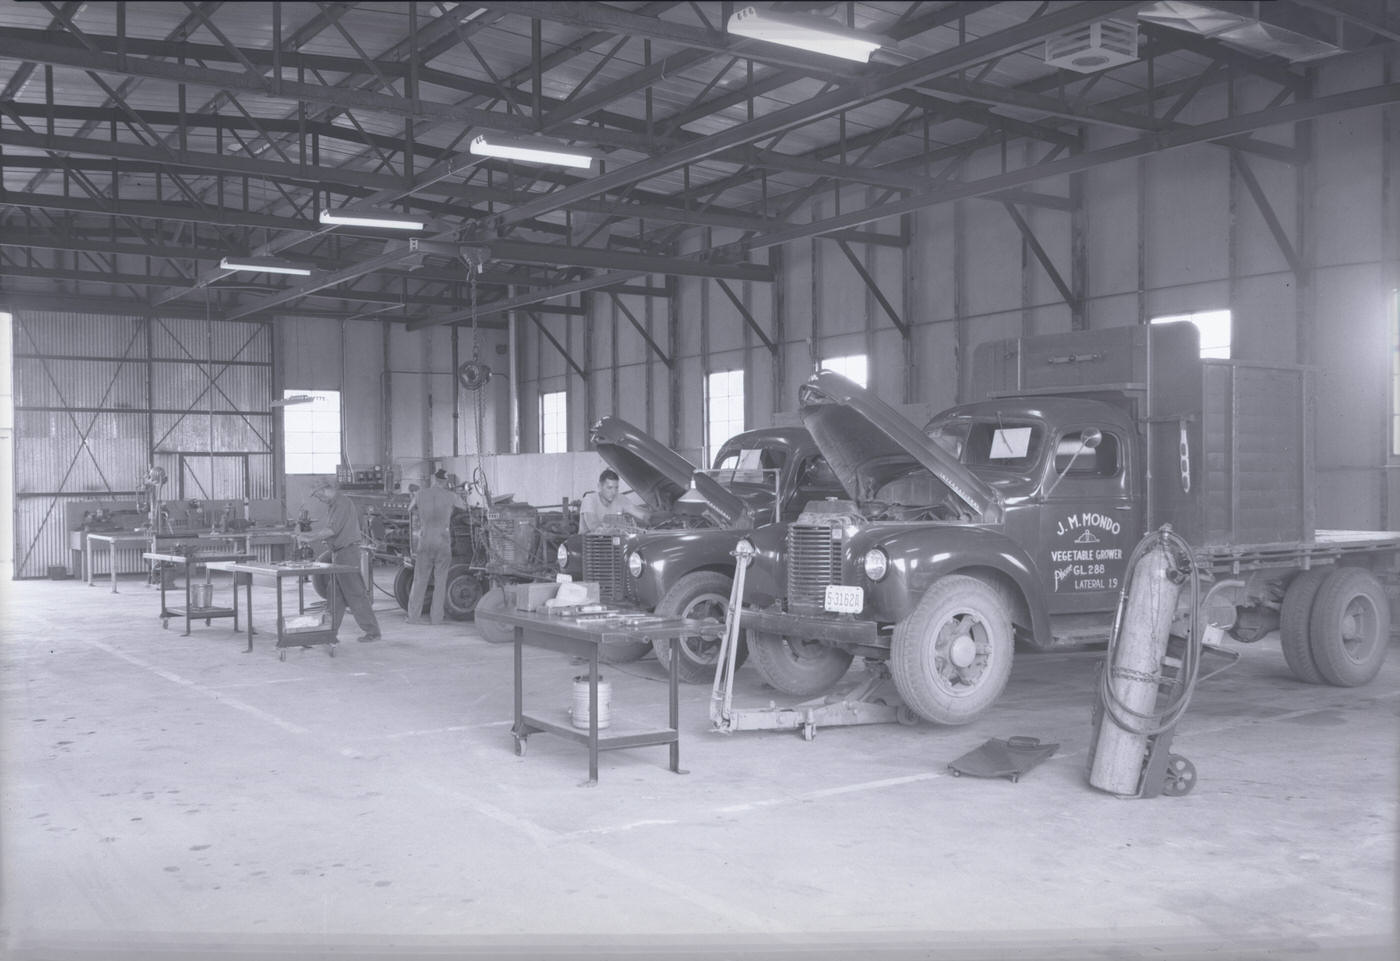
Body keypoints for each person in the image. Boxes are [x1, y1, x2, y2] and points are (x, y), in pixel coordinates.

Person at [297, 476, 381, 643]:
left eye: (318, 495)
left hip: (347, 553)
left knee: (355, 593)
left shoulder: (341, 503)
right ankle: (329, 632)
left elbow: (331, 530)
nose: (318, 499)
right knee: (335, 595)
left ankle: (373, 632)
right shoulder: (334, 504)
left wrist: (309, 537)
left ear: (324, 489)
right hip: (339, 553)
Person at [406, 469, 466, 625]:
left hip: (425, 540)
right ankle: (436, 618)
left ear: (434, 479)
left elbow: (409, 509)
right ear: (445, 481)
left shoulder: (420, 494)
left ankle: (413, 617)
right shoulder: (451, 496)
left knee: (419, 580)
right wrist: (458, 494)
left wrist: (417, 500)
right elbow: (466, 508)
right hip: (442, 540)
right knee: (440, 582)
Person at [578, 468, 649, 534]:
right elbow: (595, 527)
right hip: (589, 545)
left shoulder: (620, 498)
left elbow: (641, 514)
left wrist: (654, 517)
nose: (614, 492)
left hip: (612, 544)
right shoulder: (589, 499)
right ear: (599, 486)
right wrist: (619, 530)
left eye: (616, 488)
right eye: (609, 488)